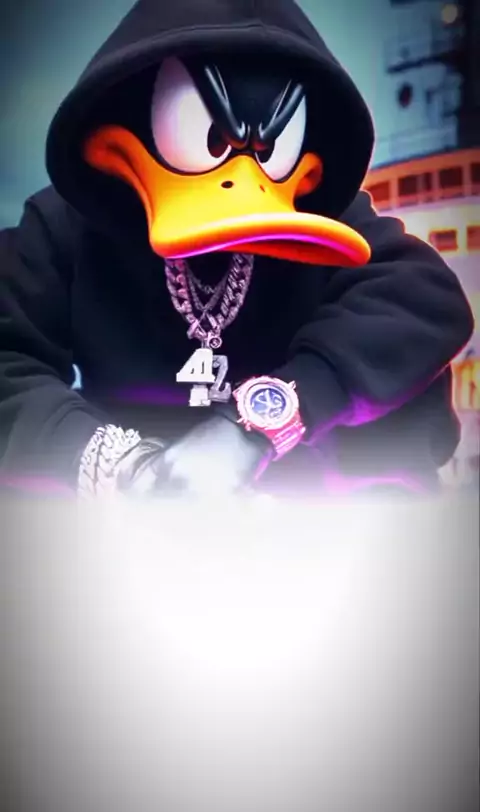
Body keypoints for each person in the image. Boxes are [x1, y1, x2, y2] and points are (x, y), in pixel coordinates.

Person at [0, 0, 474, 499]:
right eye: (210, 138)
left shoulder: (321, 222)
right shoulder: (66, 223)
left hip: (302, 502)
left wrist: (268, 417)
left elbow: (423, 296)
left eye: (267, 150)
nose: (240, 178)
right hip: (114, 509)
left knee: (401, 390)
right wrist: (125, 467)